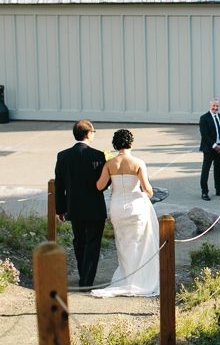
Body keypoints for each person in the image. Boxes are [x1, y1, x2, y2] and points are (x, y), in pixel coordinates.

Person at [91, 129, 159, 298]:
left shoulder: (109, 164)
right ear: (131, 143)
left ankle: (127, 278)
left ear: (115, 145)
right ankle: (138, 279)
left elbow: (99, 186)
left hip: (117, 207)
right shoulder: (138, 163)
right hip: (135, 207)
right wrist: (147, 194)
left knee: (123, 244)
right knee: (137, 242)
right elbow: (147, 188)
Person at [55, 120, 108, 287]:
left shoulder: (63, 156)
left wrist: (60, 209)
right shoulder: (98, 156)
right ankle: (86, 280)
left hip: (74, 207)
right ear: (88, 134)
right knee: (93, 243)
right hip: (95, 207)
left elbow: (59, 185)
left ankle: (82, 274)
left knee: (78, 240)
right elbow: (103, 184)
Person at [199, 99, 220, 200]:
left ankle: (219, 188)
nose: (215, 108)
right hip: (209, 149)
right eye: (214, 106)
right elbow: (204, 135)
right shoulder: (204, 118)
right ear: (210, 106)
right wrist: (214, 146)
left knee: (218, 169)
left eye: (217, 106)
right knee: (206, 170)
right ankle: (204, 192)